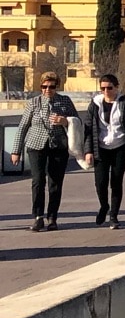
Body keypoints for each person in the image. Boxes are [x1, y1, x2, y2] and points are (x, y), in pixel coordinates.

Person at [81, 74, 125, 229]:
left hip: (120, 146)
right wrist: (88, 151)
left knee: (116, 181)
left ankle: (114, 216)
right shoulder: (94, 104)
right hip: (100, 148)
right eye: (103, 88)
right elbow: (88, 129)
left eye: (109, 88)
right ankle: (104, 205)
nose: (106, 91)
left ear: (116, 87)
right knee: (100, 183)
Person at [19, 74, 78, 231]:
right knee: (38, 181)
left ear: (57, 87)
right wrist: (16, 151)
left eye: (51, 86)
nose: (48, 90)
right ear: (40, 87)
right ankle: (38, 216)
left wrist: (64, 121)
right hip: (36, 145)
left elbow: (77, 122)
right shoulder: (33, 103)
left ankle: (52, 217)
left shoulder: (65, 101)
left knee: (55, 183)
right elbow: (23, 126)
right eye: (44, 87)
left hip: (58, 146)